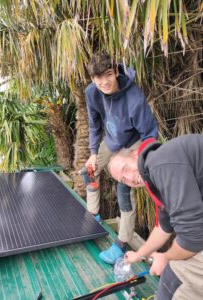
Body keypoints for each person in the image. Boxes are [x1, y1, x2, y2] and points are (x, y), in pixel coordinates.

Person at [83, 51, 158, 264]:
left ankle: (122, 243)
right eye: (98, 77)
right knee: (88, 171)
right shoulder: (92, 93)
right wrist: (93, 154)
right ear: (92, 79)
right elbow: (94, 125)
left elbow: (150, 133)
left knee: (124, 189)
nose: (104, 81)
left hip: (134, 142)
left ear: (116, 71)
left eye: (108, 74)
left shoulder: (134, 97)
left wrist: (139, 158)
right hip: (112, 139)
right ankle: (94, 216)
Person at [108, 134, 203, 300]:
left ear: (136, 154)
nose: (130, 177)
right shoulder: (158, 169)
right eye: (124, 179)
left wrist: (165, 257)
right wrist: (139, 255)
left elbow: (193, 238)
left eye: (125, 169)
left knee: (175, 280)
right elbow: (163, 226)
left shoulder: (160, 163)